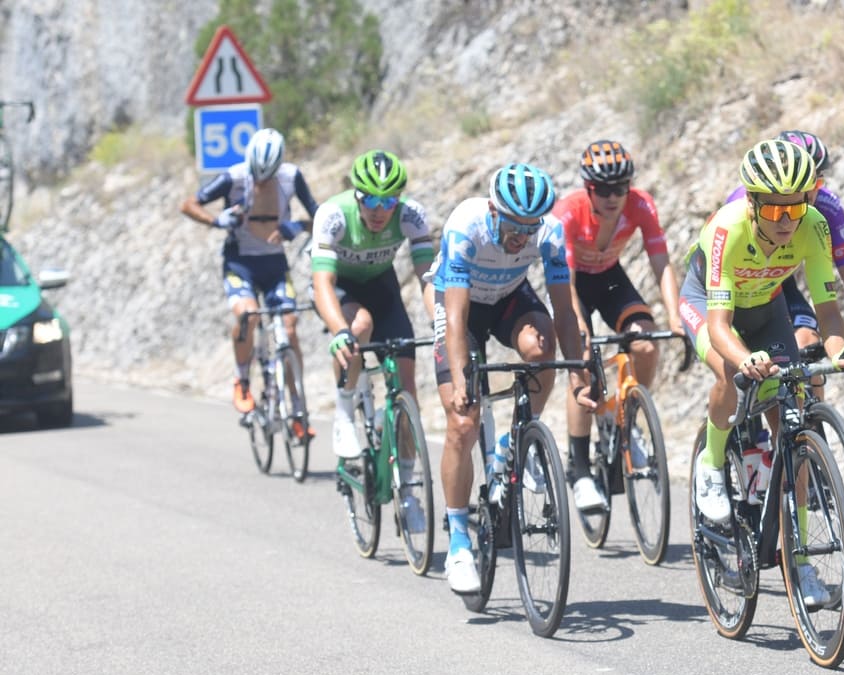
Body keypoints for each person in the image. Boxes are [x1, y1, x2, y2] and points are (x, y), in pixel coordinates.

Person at [679, 138, 844, 606]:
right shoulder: (729, 227)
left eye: (796, 208)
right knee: (731, 373)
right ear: (753, 202)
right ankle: (710, 466)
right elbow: (721, 327)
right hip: (707, 304)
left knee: (795, 419)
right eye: (775, 212)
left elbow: (828, 311)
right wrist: (744, 358)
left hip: (765, 307)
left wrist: (843, 349)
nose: (787, 222)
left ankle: (798, 561)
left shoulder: (815, 225)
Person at [431, 162, 595, 594]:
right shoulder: (467, 227)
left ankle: (513, 442)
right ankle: (460, 543)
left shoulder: (550, 232)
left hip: (508, 298)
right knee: (462, 422)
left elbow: (564, 312)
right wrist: (464, 380)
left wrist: (578, 375)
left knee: (542, 351)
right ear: (492, 209)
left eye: (530, 226)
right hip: (460, 308)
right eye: (512, 224)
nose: (521, 235)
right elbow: (455, 317)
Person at [552, 139, 683, 511]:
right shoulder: (569, 212)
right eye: (604, 190)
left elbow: (661, 263)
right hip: (572, 284)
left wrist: (674, 316)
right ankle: (578, 470)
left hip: (610, 278)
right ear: (588, 188)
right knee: (582, 365)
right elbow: (567, 285)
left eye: (620, 188)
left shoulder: (641, 204)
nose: (613, 197)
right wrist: (580, 329)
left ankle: (627, 417)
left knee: (645, 343)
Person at [180, 128, 318, 431]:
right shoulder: (234, 176)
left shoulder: (291, 177)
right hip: (239, 262)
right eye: (257, 174)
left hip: (274, 263)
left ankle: (296, 408)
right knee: (247, 316)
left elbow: (320, 217)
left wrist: (298, 226)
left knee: (290, 326)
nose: (261, 180)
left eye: (267, 176)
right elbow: (188, 204)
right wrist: (217, 220)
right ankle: (242, 379)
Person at [726, 130, 844, 367]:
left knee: (808, 346)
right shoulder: (744, 204)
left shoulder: (828, 207)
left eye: (818, 181)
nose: (810, 192)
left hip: (779, 280)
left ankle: (810, 405)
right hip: (744, 282)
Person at [310, 149, 435, 463]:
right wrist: (340, 331)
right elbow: (322, 283)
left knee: (408, 389)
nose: (379, 211)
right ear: (357, 196)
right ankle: (344, 414)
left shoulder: (411, 215)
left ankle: (409, 490)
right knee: (359, 327)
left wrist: (441, 319)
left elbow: (428, 277)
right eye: (371, 201)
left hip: (381, 286)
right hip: (341, 286)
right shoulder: (333, 214)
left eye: (389, 201)